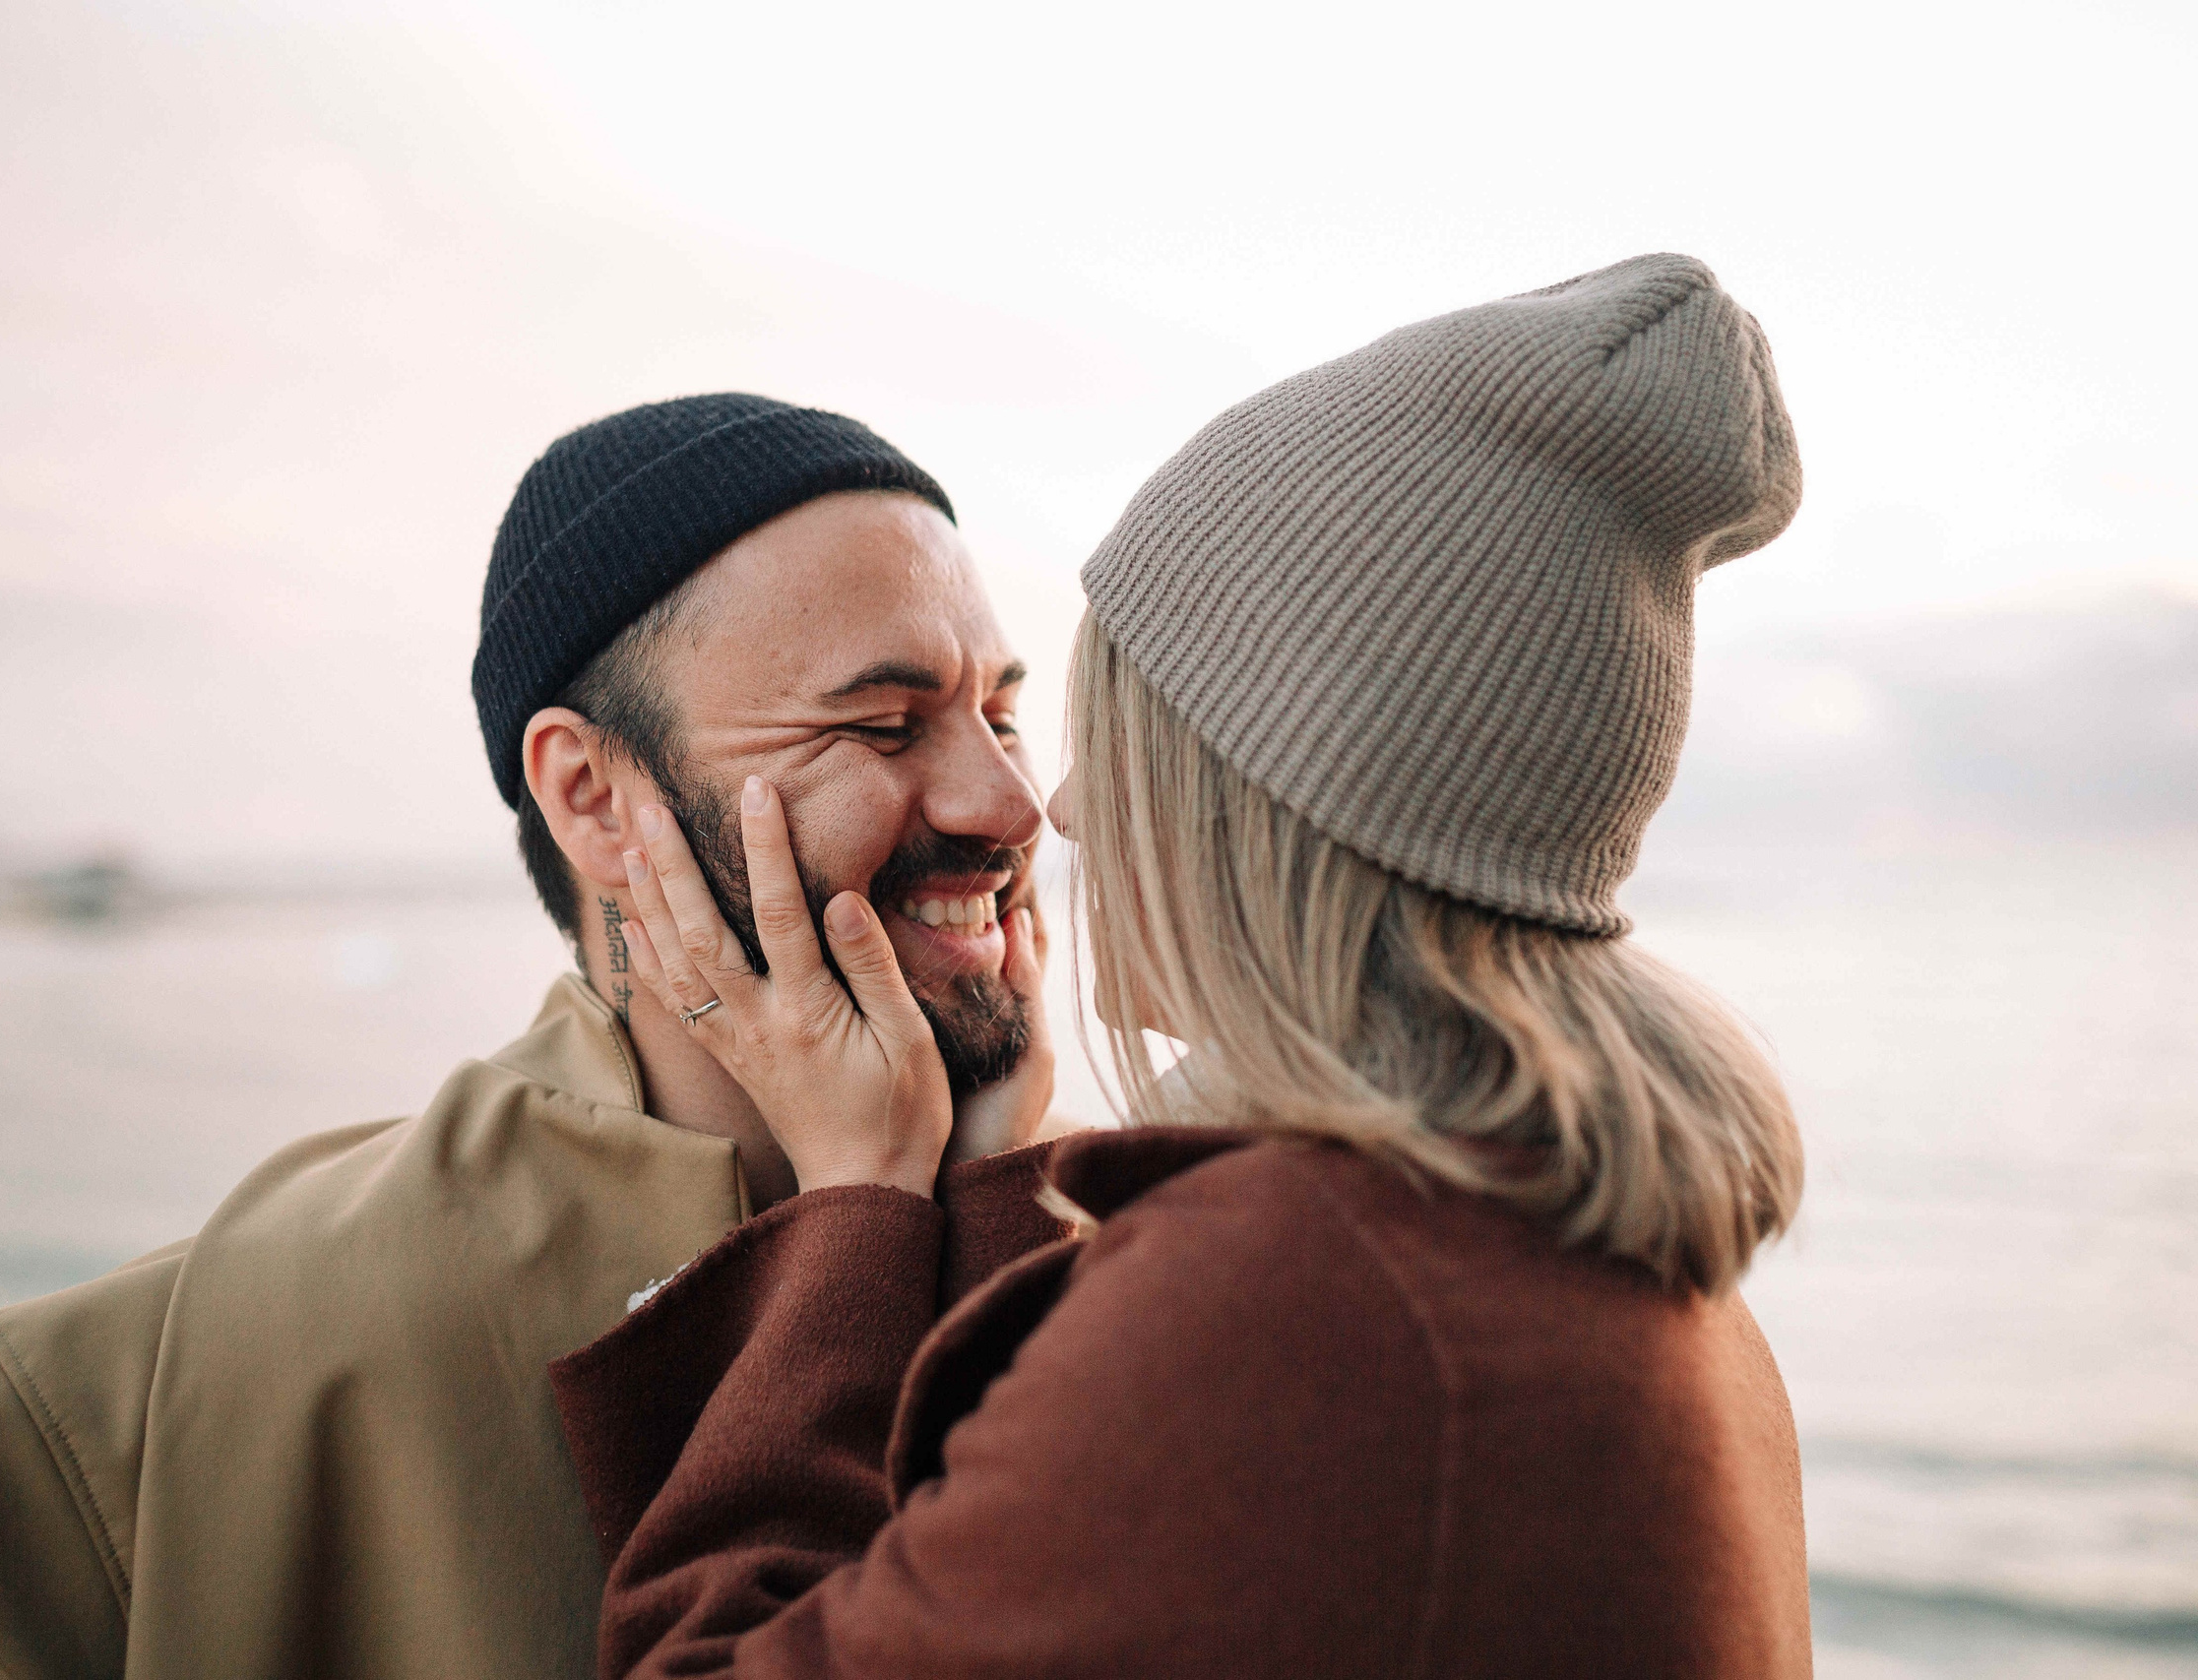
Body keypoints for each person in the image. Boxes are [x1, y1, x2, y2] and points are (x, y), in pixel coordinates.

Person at [552, 254, 1815, 1678]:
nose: (1055, 807)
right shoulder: (1617, 1259)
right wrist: (988, 1179)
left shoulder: (1300, 1296)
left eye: (1119, 734)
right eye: (889, 727)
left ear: (1277, 797)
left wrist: (856, 1199)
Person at [0, 396, 1073, 1679]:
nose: (1011, 804)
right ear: (592, 797)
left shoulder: (1114, 1224)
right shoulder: (264, 1331)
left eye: (1001, 714)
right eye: (884, 725)